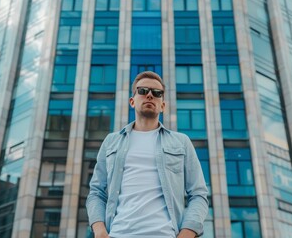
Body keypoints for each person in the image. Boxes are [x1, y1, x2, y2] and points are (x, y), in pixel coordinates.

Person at [86, 71, 209, 238]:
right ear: (132, 101)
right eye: (143, 91)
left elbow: (199, 194)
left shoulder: (181, 142)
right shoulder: (111, 141)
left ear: (163, 105)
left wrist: (187, 233)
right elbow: (96, 192)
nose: (150, 95)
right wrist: (99, 231)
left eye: (157, 93)